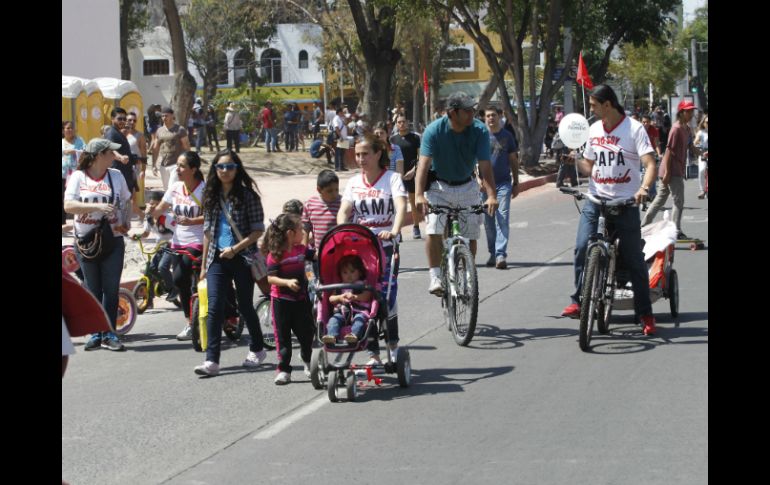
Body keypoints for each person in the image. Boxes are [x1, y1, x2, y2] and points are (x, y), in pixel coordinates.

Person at [560, 84, 658, 336]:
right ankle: (579, 299)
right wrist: (576, 161)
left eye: (593, 105)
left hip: (625, 205)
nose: (590, 110)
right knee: (582, 247)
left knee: (635, 259)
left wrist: (644, 188)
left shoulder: (634, 129)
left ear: (608, 105)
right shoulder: (593, 130)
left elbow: (649, 163)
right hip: (596, 201)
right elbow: (589, 167)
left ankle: (645, 314)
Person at [415, 91, 499, 295]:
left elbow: (485, 167)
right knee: (433, 229)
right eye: (467, 110)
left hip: (467, 185)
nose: (472, 114)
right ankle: (435, 276)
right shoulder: (434, 131)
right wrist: (419, 195)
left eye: (473, 109)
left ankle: (468, 273)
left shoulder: (479, 130)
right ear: (452, 112)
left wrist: (491, 195)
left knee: (470, 234)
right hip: (439, 186)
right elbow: (423, 166)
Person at [193, 150, 269, 376]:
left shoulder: (248, 196)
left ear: (237, 169)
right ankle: (212, 361)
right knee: (215, 308)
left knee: (245, 306)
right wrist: (204, 266)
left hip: (242, 258)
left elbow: (258, 231)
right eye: (220, 167)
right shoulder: (211, 195)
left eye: (230, 166)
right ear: (215, 170)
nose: (225, 171)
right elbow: (207, 231)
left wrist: (235, 248)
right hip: (217, 258)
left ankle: (257, 348)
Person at [337, 133, 406, 365]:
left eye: (365, 154)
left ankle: (393, 343)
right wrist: (341, 231)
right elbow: (344, 211)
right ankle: (373, 352)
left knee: (385, 297)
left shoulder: (392, 179)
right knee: (362, 299)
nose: (360, 158)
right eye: (357, 154)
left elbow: (400, 205)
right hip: (360, 250)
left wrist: (394, 230)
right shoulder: (354, 183)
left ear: (378, 154)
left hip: (385, 247)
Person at [64, 138, 133, 351]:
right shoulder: (78, 177)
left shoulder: (116, 176)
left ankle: (109, 333)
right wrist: (99, 207)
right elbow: (68, 205)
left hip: (112, 240)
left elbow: (127, 200)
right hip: (86, 242)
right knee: (93, 290)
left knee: (110, 289)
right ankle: (95, 333)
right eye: (110, 153)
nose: (114, 156)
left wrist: (126, 221)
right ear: (98, 156)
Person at [150, 151, 206, 339]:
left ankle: (215, 313)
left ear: (193, 169)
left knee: (186, 277)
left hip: (198, 242)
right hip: (177, 242)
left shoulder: (204, 190)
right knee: (180, 281)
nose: (178, 169)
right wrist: (152, 211)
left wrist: (192, 221)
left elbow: (212, 216)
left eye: (182, 166)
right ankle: (190, 322)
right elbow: (160, 209)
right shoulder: (174, 188)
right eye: (177, 165)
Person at [263, 213, 315, 385]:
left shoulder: (302, 250)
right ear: (290, 233)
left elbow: (315, 256)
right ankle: (284, 370)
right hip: (281, 301)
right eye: (301, 230)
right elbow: (271, 279)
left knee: (307, 334)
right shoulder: (275, 254)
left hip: (301, 300)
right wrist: (287, 282)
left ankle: (308, 361)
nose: (304, 233)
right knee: (283, 338)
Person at [641, 100, 698, 239]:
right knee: (678, 201)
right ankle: (676, 231)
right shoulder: (676, 128)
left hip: (674, 170)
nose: (691, 113)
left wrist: (702, 153)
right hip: (671, 171)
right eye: (688, 111)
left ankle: (642, 227)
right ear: (681, 112)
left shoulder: (687, 129)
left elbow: (690, 146)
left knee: (660, 199)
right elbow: (669, 150)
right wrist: (666, 172)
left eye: (692, 110)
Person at [480, 107, 520, 269]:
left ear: (500, 116)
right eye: (488, 115)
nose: (490, 118)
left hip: (503, 183)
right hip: (485, 186)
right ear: (484, 118)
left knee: (502, 217)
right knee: (488, 221)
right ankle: (492, 252)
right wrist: (477, 179)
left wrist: (516, 182)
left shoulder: (507, 136)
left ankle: (500, 254)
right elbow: (473, 161)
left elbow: (513, 160)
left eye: (493, 115)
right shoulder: (480, 137)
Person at [321, 255, 373, 345]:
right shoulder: (340, 286)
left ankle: (353, 335)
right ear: (340, 274)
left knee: (359, 321)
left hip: (359, 312)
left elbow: (367, 296)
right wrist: (339, 297)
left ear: (360, 272)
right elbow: (331, 299)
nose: (349, 275)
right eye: (345, 272)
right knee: (333, 320)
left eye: (352, 272)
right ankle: (331, 336)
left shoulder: (362, 285)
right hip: (342, 313)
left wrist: (355, 297)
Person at [390, 115, 423, 239]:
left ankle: (416, 227)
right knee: (398, 204)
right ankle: (398, 231)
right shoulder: (393, 139)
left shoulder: (415, 138)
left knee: (413, 203)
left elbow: (421, 157)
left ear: (408, 122)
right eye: (399, 122)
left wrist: (413, 171)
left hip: (412, 176)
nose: (402, 124)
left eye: (404, 121)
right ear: (396, 124)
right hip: (397, 177)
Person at [104, 108, 137, 213]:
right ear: (112, 119)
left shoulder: (119, 132)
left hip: (125, 172)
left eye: (124, 119)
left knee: (126, 199)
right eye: (120, 119)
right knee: (119, 201)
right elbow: (110, 148)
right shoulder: (111, 133)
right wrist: (120, 157)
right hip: (117, 171)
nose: (123, 121)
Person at [151, 106, 190, 191]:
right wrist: (154, 164)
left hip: (176, 165)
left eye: (166, 116)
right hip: (163, 165)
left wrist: (188, 163)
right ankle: (170, 204)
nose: (164, 118)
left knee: (172, 188)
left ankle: (174, 204)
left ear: (172, 116)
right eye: (163, 116)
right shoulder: (159, 130)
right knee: (166, 190)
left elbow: (186, 147)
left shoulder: (180, 130)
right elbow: (156, 148)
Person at [302, 169, 341, 250]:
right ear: (319, 190)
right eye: (329, 191)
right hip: (319, 253)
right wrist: (304, 252)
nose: (334, 194)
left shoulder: (343, 204)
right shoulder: (310, 204)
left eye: (336, 189)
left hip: (339, 252)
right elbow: (305, 229)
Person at [123, 112, 149, 210]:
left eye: (134, 120)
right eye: (129, 120)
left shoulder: (140, 135)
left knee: (133, 190)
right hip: (123, 166)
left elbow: (144, 154)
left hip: (135, 167)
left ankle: (136, 211)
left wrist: (143, 170)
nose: (132, 122)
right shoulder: (121, 134)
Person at [62, 121, 85, 224]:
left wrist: (75, 151)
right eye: (67, 128)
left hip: (76, 174)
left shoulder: (79, 140)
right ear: (63, 130)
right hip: (63, 175)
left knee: (78, 197)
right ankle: (63, 223)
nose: (70, 130)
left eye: (72, 128)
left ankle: (81, 220)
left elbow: (86, 150)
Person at [694, 115, 708, 199]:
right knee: (702, 170)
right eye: (707, 122)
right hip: (703, 153)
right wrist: (695, 143)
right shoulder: (701, 132)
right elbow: (695, 142)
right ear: (703, 123)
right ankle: (702, 190)